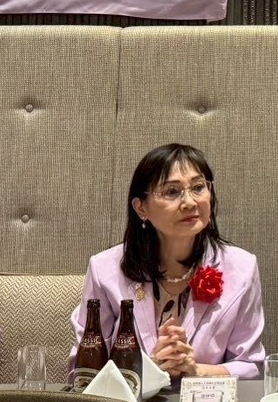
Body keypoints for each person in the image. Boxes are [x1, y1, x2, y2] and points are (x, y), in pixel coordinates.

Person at [73, 144, 265, 379]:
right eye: (172, 192)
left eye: (198, 187)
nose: (190, 202)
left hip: (205, 401)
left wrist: (197, 371)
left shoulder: (242, 268)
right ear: (141, 208)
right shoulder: (105, 270)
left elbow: (252, 365)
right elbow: (82, 371)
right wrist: (149, 370)